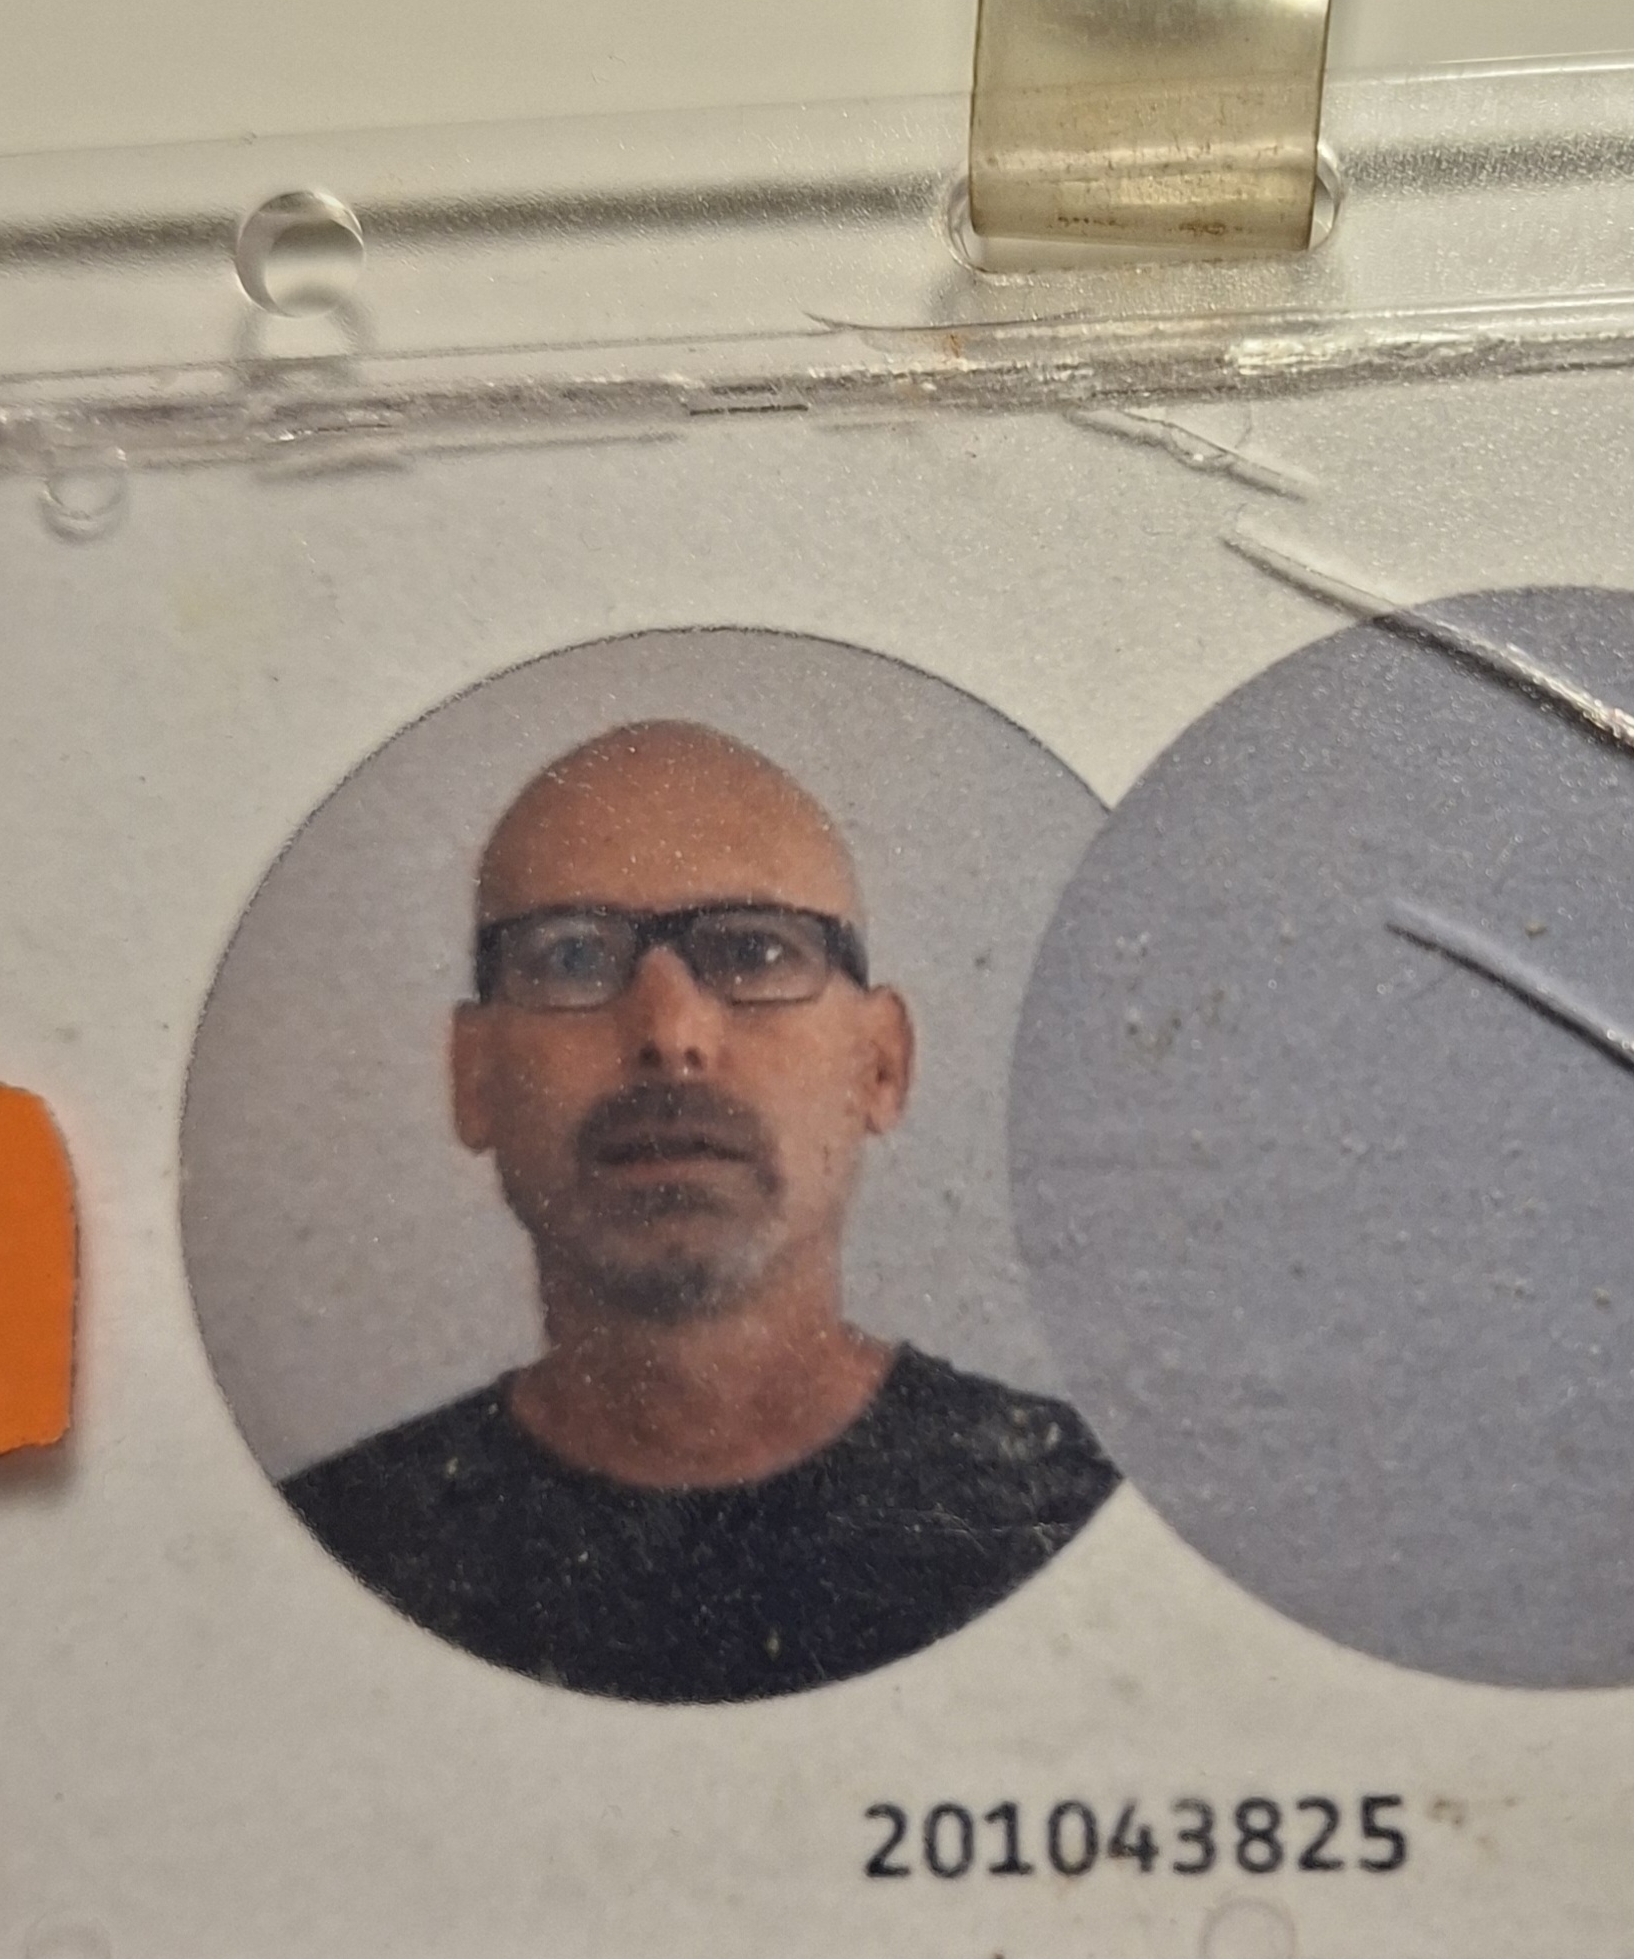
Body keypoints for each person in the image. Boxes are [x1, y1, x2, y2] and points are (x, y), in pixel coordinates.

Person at [282, 720, 1119, 1703]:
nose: (671, 1034)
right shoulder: (323, 1564)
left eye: (755, 950)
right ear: (474, 1079)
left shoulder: (1089, 1526)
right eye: (571, 957)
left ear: (881, 1065)